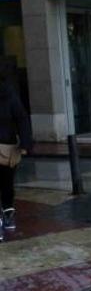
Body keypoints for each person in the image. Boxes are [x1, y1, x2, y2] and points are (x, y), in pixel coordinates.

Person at [0, 82, 33, 242]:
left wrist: (25, 144)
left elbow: (22, 119)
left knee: (7, 183)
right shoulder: (9, 94)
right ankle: (5, 216)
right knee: (6, 184)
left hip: (7, 150)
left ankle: (8, 212)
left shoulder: (8, 96)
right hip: (7, 148)